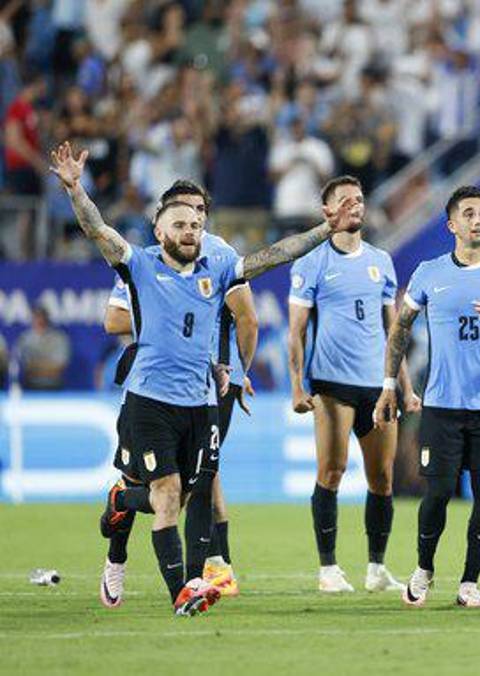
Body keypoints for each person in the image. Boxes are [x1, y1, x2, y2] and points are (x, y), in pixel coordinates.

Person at [50, 140, 356, 616]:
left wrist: (324, 229)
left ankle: (150, 530)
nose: (190, 231)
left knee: (190, 493)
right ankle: (182, 591)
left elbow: (275, 254)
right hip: (149, 399)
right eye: (180, 224)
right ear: (159, 228)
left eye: (196, 224)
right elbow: (96, 229)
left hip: (202, 401)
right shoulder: (139, 265)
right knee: (168, 494)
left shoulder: (219, 265)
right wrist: (74, 188)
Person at [101, 180, 257, 606]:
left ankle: (206, 572)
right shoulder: (148, 263)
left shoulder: (221, 256)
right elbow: (113, 320)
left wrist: (240, 371)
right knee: (145, 483)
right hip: (153, 384)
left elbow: (248, 318)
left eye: (199, 214)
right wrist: (166, 322)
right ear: (164, 222)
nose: (192, 225)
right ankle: (117, 555)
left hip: (209, 386)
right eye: (183, 215)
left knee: (196, 486)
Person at [373, 186, 480, 609]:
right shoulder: (430, 272)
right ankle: (424, 567)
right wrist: (390, 384)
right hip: (442, 405)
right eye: (469, 213)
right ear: (452, 225)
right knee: (436, 493)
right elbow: (399, 329)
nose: (479, 219)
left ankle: (469, 583)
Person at [288, 175, 419, 594]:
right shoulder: (311, 262)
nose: (355, 206)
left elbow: (393, 330)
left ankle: (377, 569)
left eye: (359, 199)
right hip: (331, 384)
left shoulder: (381, 259)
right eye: (344, 201)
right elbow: (296, 332)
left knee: (382, 478)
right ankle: (328, 569)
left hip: (377, 387)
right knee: (332, 470)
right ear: (327, 212)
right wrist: (297, 385)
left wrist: (405, 386)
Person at [16, 306, 70, 390]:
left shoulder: (59, 338)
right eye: (36, 317)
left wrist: (37, 366)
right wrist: (47, 365)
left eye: (41, 316)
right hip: (30, 384)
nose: (39, 320)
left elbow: (60, 366)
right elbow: (26, 365)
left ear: (47, 318)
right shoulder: (25, 339)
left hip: (53, 385)